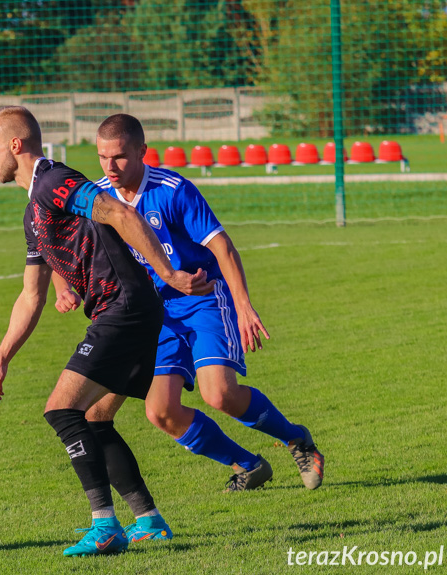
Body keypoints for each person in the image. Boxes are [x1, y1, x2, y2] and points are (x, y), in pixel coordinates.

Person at [0, 106, 213, 557]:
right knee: (94, 418)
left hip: (125, 306)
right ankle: (149, 520)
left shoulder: (53, 181)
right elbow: (32, 295)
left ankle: (104, 524)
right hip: (126, 310)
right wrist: (1, 358)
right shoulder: (34, 212)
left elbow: (119, 214)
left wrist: (170, 274)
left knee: (60, 410)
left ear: (15, 145)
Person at [53, 113, 324, 492]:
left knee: (220, 394)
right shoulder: (99, 199)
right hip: (153, 315)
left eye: (119, 157)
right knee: (160, 411)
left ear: (142, 151)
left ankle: (296, 439)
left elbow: (222, 246)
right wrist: (62, 284)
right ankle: (249, 465)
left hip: (202, 301)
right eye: (102, 157)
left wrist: (244, 306)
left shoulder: (173, 190)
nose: (109, 167)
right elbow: (61, 245)